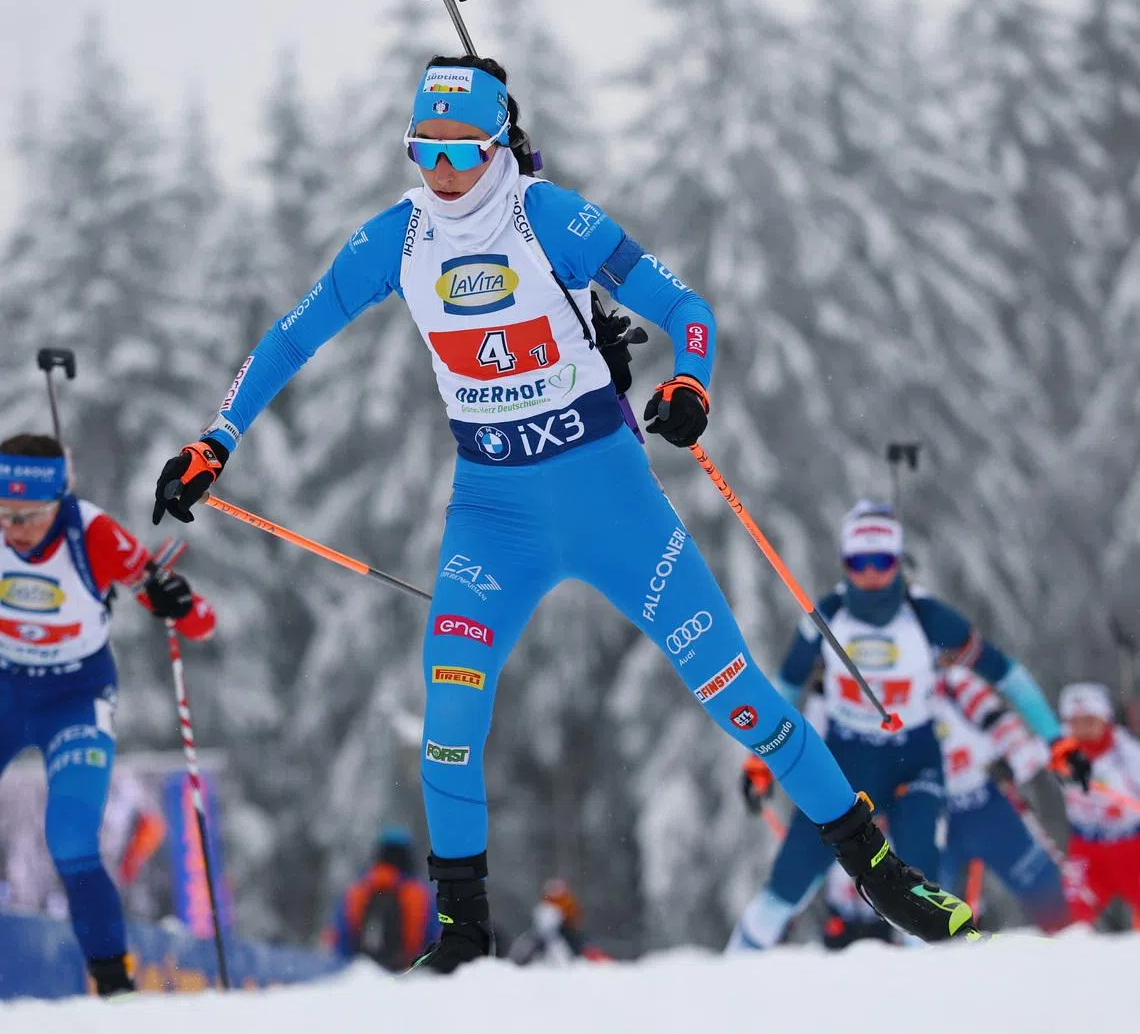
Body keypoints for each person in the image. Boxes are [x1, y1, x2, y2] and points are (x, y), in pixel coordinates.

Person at [152, 54, 986, 973]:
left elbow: (685, 307)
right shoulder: (394, 241)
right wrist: (216, 439)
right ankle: (465, 936)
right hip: (491, 512)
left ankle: (877, 870)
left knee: (740, 694)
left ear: (498, 145)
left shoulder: (546, 216)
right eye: (421, 150)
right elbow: (291, 335)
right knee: (449, 717)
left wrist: (689, 386)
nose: (440, 171)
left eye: (460, 152)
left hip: (606, 493)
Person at [728, 501, 1087, 951]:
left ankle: (927, 998)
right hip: (844, 761)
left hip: (912, 761)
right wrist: (760, 761)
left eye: (884, 560)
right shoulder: (824, 616)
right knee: (789, 881)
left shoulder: (928, 617)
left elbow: (1006, 673)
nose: (873, 572)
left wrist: (1055, 739)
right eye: (861, 561)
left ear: (898, 561)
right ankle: (725, 985)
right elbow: (783, 687)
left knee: (919, 891)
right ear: (845, 562)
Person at [0, 434, 214, 996]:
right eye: (4, 515)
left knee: (70, 838)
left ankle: (113, 985)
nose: (13, 530)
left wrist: (180, 604)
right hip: (5, 689)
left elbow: (185, 612)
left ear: (57, 502)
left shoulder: (91, 533)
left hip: (76, 696)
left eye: (26, 517)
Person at [935, 667, 1068, 933]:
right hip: (934, 814)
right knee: (924, 901)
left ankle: (1074, 945)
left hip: (987, 805)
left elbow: (1006, 727)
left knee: (1045, 890)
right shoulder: (880, 688)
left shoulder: (956, 683)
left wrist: (1012, 765)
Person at [1056, 682, 1140, 926]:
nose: (1082, 729)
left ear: (1105, 720)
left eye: (1089, 721)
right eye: (1075, 722)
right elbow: (1026, 755)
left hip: (1131, 846)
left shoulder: (1126, 751)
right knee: (1069, 917)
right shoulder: (1061, 747)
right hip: (1086, 850)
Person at [322, 825, 437, 971]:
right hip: (407, 977)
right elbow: (435, 940)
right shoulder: (422, 894)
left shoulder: (357, 891)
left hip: (358, 977)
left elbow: (339, 938)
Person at [508, 877, 609, 966]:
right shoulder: (550, 904)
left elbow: (574, 915)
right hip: (557, 931)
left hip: (565, 929)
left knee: (578, 945)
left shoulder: (563, 902)